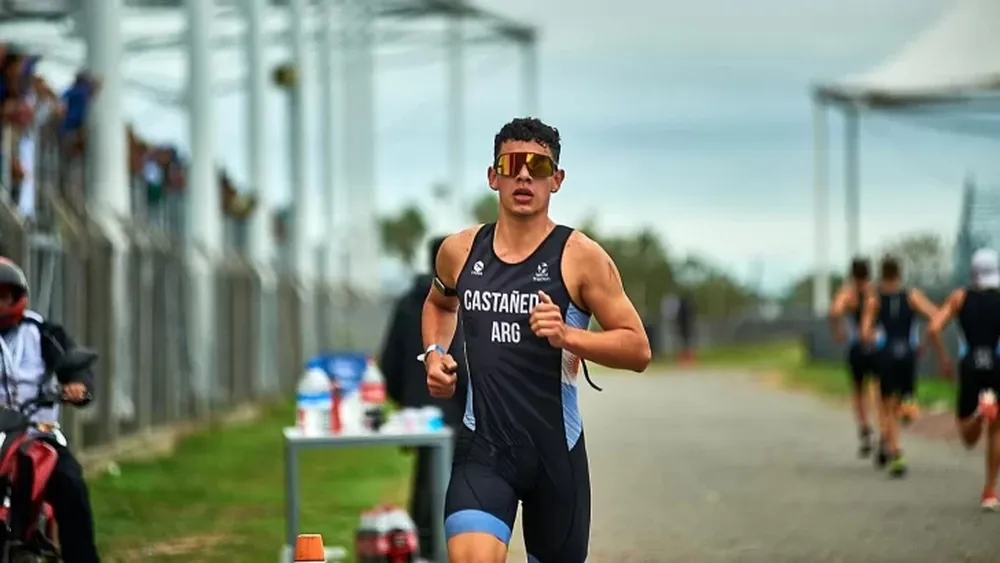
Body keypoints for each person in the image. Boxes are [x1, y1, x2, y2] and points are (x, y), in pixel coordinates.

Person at [421, 117, 652, 563]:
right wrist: (434, 354)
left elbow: (638, 348)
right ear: (494, 176)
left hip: (555, 456)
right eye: (512, 164)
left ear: (556, 180)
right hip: (483, 449)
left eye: (539, 167)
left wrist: (568, 336)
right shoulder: (460, 251)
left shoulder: (581, 257)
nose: (524, 175)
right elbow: (438, 304)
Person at [0, 257, 100, 562]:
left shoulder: (43, 332)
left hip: (35, 435)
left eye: (2, 297)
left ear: (18, 298)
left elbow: (73, 363)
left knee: (70, 485)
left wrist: (77, 386)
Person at [378, 235, 468, 558]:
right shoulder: (464, 304)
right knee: (458, 490)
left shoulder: (406, 304)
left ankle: (423, 549)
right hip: (459, 415)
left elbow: (388, 364)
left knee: (425, 487)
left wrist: (408, 404)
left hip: (417, 416)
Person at [860, 255, 949, 477]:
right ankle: (908, 408)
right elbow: (936, 317)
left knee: (887, 407)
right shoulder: (912, 296)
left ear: (882, 274)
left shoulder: (875, 299)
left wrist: (872, 340)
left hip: (886, 353)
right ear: (899, 273)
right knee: (904, 400)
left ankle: (897, 453)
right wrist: (924, 342)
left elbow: (864, 332)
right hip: (908, 353)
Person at [928, 248, 1000, 510]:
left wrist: (944, 360)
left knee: (968, 439)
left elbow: (934, 327)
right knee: (997, 431)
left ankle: (980, 413)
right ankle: (990, 491)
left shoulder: (960, 297)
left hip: (969, 364)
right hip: (997, 363)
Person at [829, 257, 879, 458]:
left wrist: (838, 331)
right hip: (875, 346)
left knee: (858, 390)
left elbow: (834, 311)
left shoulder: (847, 293)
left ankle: (865, 427)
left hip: (856, 346)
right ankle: (882, 426)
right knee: (876, 387)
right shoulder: (873, 292)